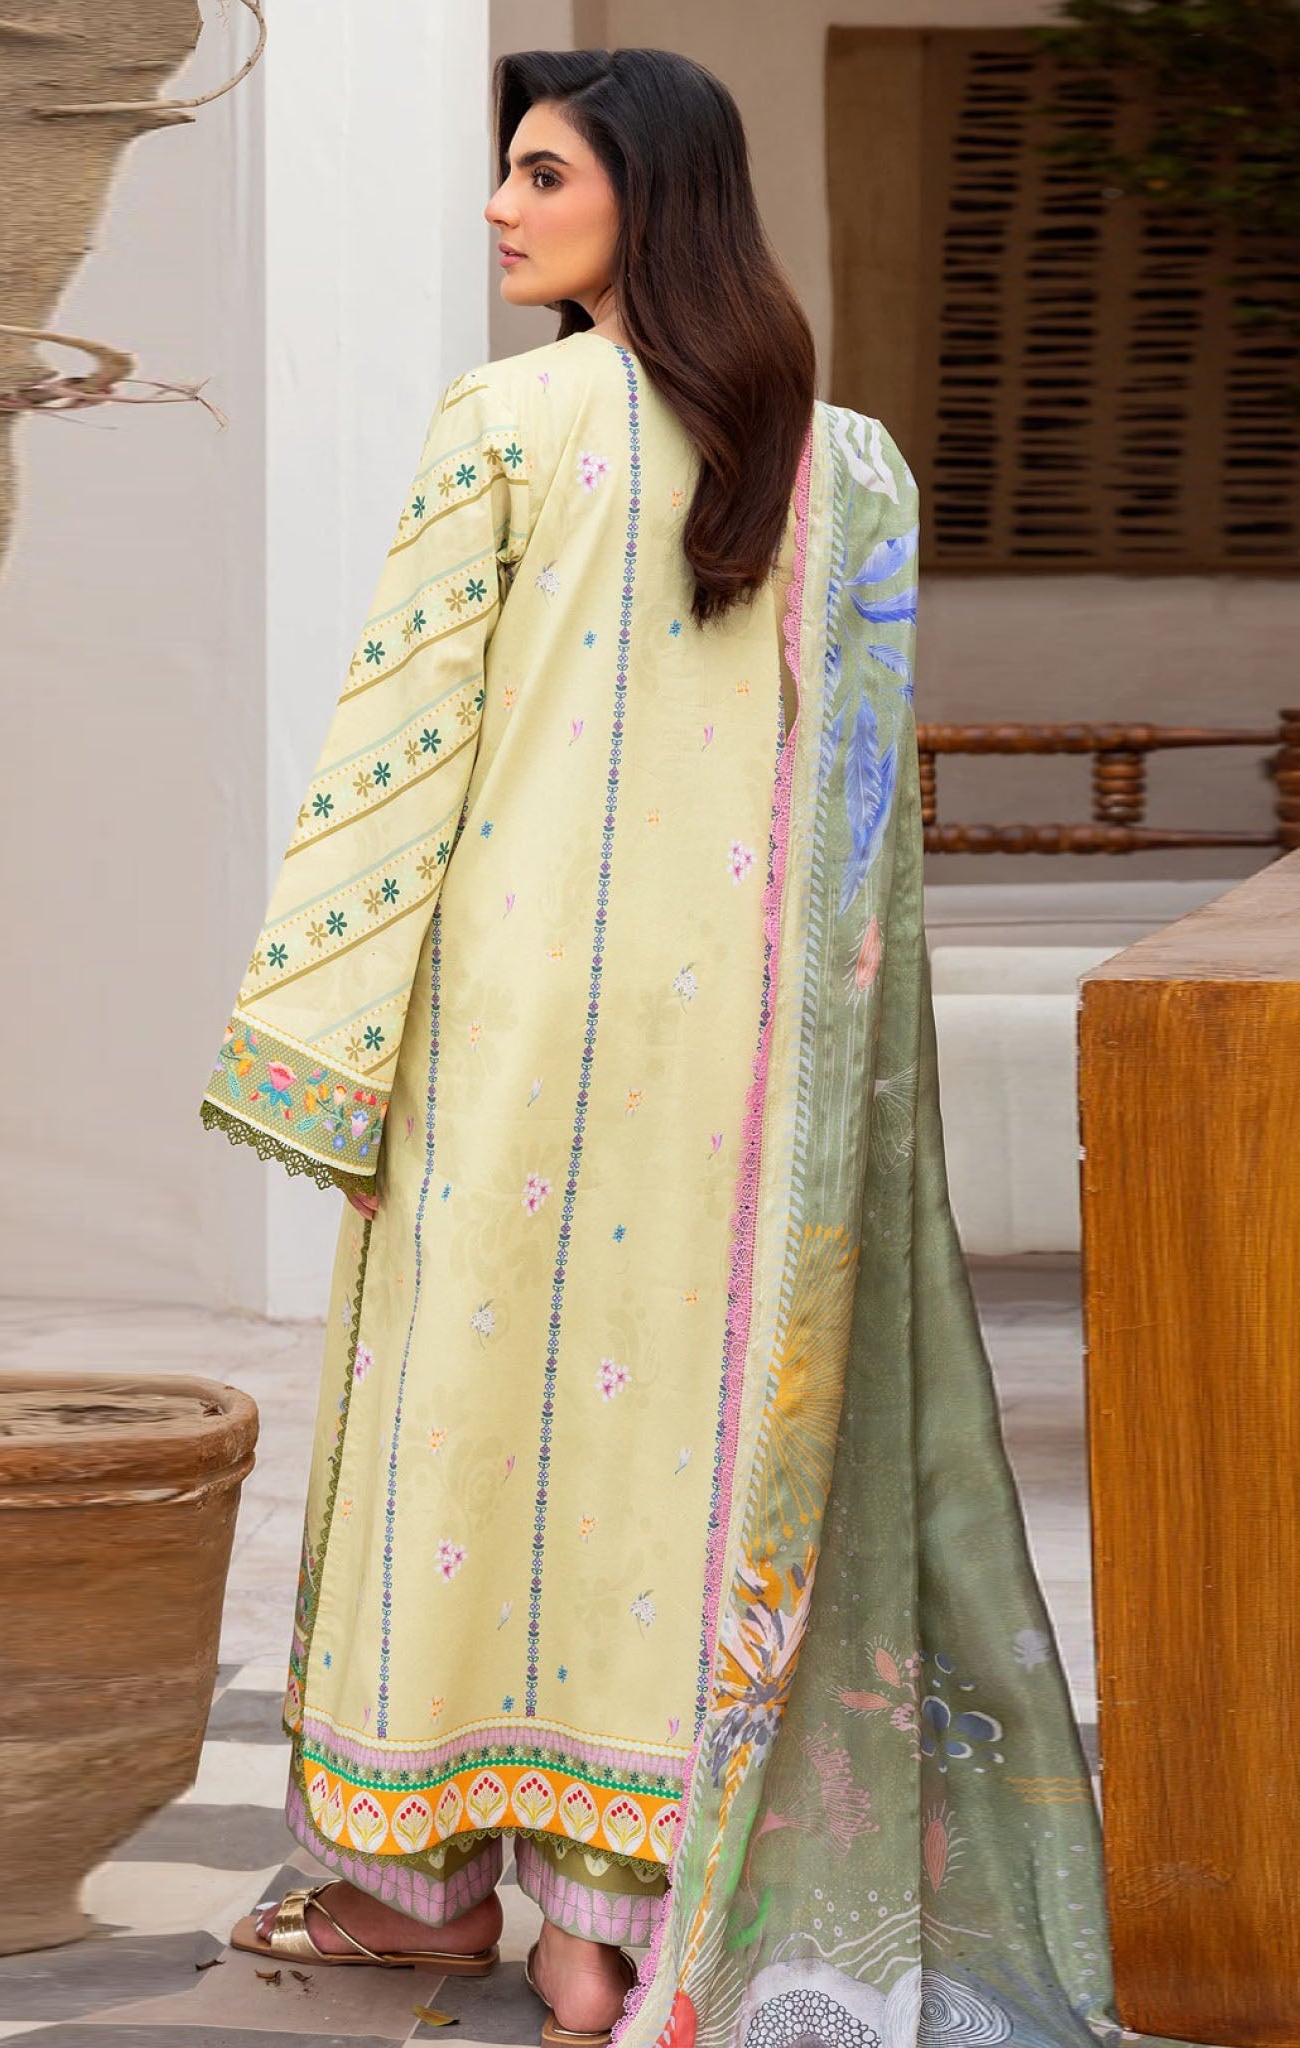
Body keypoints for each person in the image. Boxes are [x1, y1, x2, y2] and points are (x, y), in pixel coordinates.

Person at [203, 44, 1160, 2048]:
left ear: (651, 190)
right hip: (743, 1063)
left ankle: (436, 1898)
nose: (499, 207)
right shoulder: (852, 466)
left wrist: (315, 1042)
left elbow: (400, 750)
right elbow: (864, 822)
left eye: (541, 173)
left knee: (468, 1442)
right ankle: (613, 1924)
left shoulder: (503, 421)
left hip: (507, 1033)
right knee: (679, 1474)